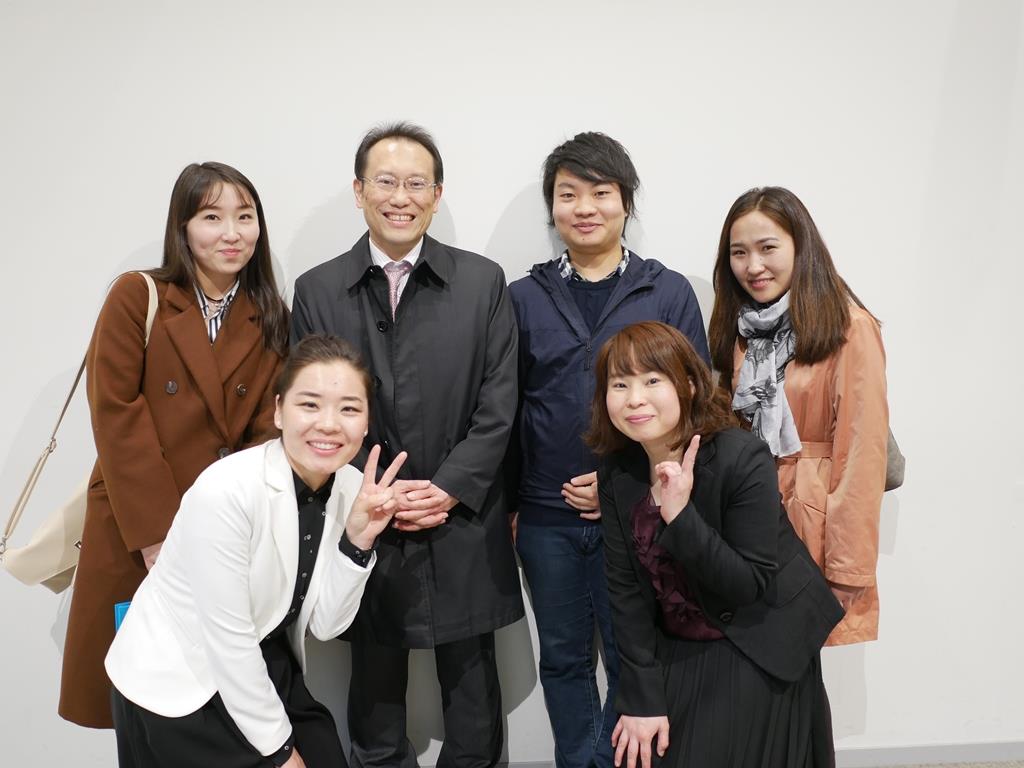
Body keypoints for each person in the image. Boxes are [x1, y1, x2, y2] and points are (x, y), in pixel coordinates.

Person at [291, 121, 522, 768]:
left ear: (437, 195)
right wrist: (371, 493)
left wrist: (447, 488)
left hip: (463, 518)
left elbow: (500, 402)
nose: (401, 197)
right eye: (386, 182)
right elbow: (312, 412)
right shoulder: (317, 289)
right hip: (365, 514)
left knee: (474, 700)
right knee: (374, 698)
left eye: (417, 183)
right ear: (359, 191)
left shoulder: (482, 281)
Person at [106, 334, 410, 767]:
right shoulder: (226, 490)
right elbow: (228, 640)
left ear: (366, 423)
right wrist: (282, 753)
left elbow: (325, 624)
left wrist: (358, 542)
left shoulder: (349, 487)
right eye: (310, 405)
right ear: (279, 411)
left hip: (262, 658)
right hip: (179, 679)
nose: (329, 424)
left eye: (348, 409)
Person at [59, 162, 289, 728]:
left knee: (216, 702)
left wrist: (230, 527)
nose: (232, 233)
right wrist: (158, 537)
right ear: (182, 226)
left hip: (221, 529)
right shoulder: (138, 295)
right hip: (138, 527)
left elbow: (268, 433)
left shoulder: (269, 317)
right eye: (212, 217)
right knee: (141, 700)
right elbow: (116, 415)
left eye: (245, 217)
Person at [507, 131, 708, 768]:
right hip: (546, 517)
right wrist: (509, 505)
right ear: (553, 208)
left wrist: (627, 484)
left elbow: (693, 404)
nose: (585, 207)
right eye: (569, 194)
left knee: (633, 655)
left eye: (601, 192)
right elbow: (506, 408)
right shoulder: (522, 297)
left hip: (637, 512)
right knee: (563, 660)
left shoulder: (666, 291)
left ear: (626, 202)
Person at [588, 321, 843, 768]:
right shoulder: (617, 472)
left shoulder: (740, 457)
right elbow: (625, 594)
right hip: (681, 639)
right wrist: (642, 697)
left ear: (688, 385)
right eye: (620, 384)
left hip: (758, 633)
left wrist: (681, 516)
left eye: (652, 381)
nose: (634, 399)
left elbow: (749, 583)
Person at [708, 186, 888, 645]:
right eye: (739, 253)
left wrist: (848, 569)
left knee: (796, 667)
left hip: (812, 523)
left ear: (800, 246)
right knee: (753, 666)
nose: (753, 266)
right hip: (747, 517)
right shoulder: (739, 329)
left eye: (768, 248)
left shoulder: (849, 327)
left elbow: (862, 454)